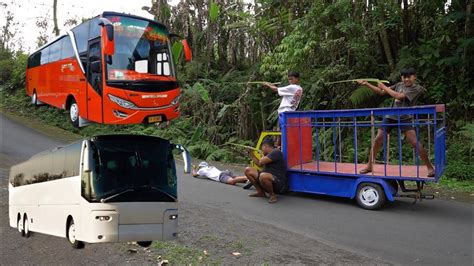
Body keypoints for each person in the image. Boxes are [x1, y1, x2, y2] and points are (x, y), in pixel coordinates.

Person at [358, 67, 435, 177]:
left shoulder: (416, 88)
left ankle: (430, 168)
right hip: (390, 116)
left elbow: (398, 96)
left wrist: (384, 86)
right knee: (378, 140)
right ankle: (369, 165)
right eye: (404, 77)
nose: (406, 79)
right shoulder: (399, 85)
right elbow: (381, 92)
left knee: (414, 142)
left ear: (415, 77)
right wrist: (366, 84)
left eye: (409, 77)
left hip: (405, 117)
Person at [263, 71, 303, 146]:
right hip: (290, 112)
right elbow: (279, 89)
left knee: (281, 132)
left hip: (285, 112)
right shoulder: (299, 89)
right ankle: (279, 147)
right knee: (281, 131)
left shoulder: (292, 87)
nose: (290, 81)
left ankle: (280, 147)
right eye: (289, 79)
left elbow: (276, 89)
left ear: (297, 79)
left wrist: (268, 85)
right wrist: (271, 85)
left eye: (292, 79)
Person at [244, 137, 287, 203]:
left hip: (277, 182)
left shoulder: (276, 152)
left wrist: (262, 154)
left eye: (262, 147)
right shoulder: (268, 154)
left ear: (266, 146)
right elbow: (259, 164)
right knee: (248, 170)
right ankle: (260, 192)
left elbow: (261, 161)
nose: (261, 149)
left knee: (263, 176)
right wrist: (251, 154)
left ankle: (272, 195)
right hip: (265, 177)